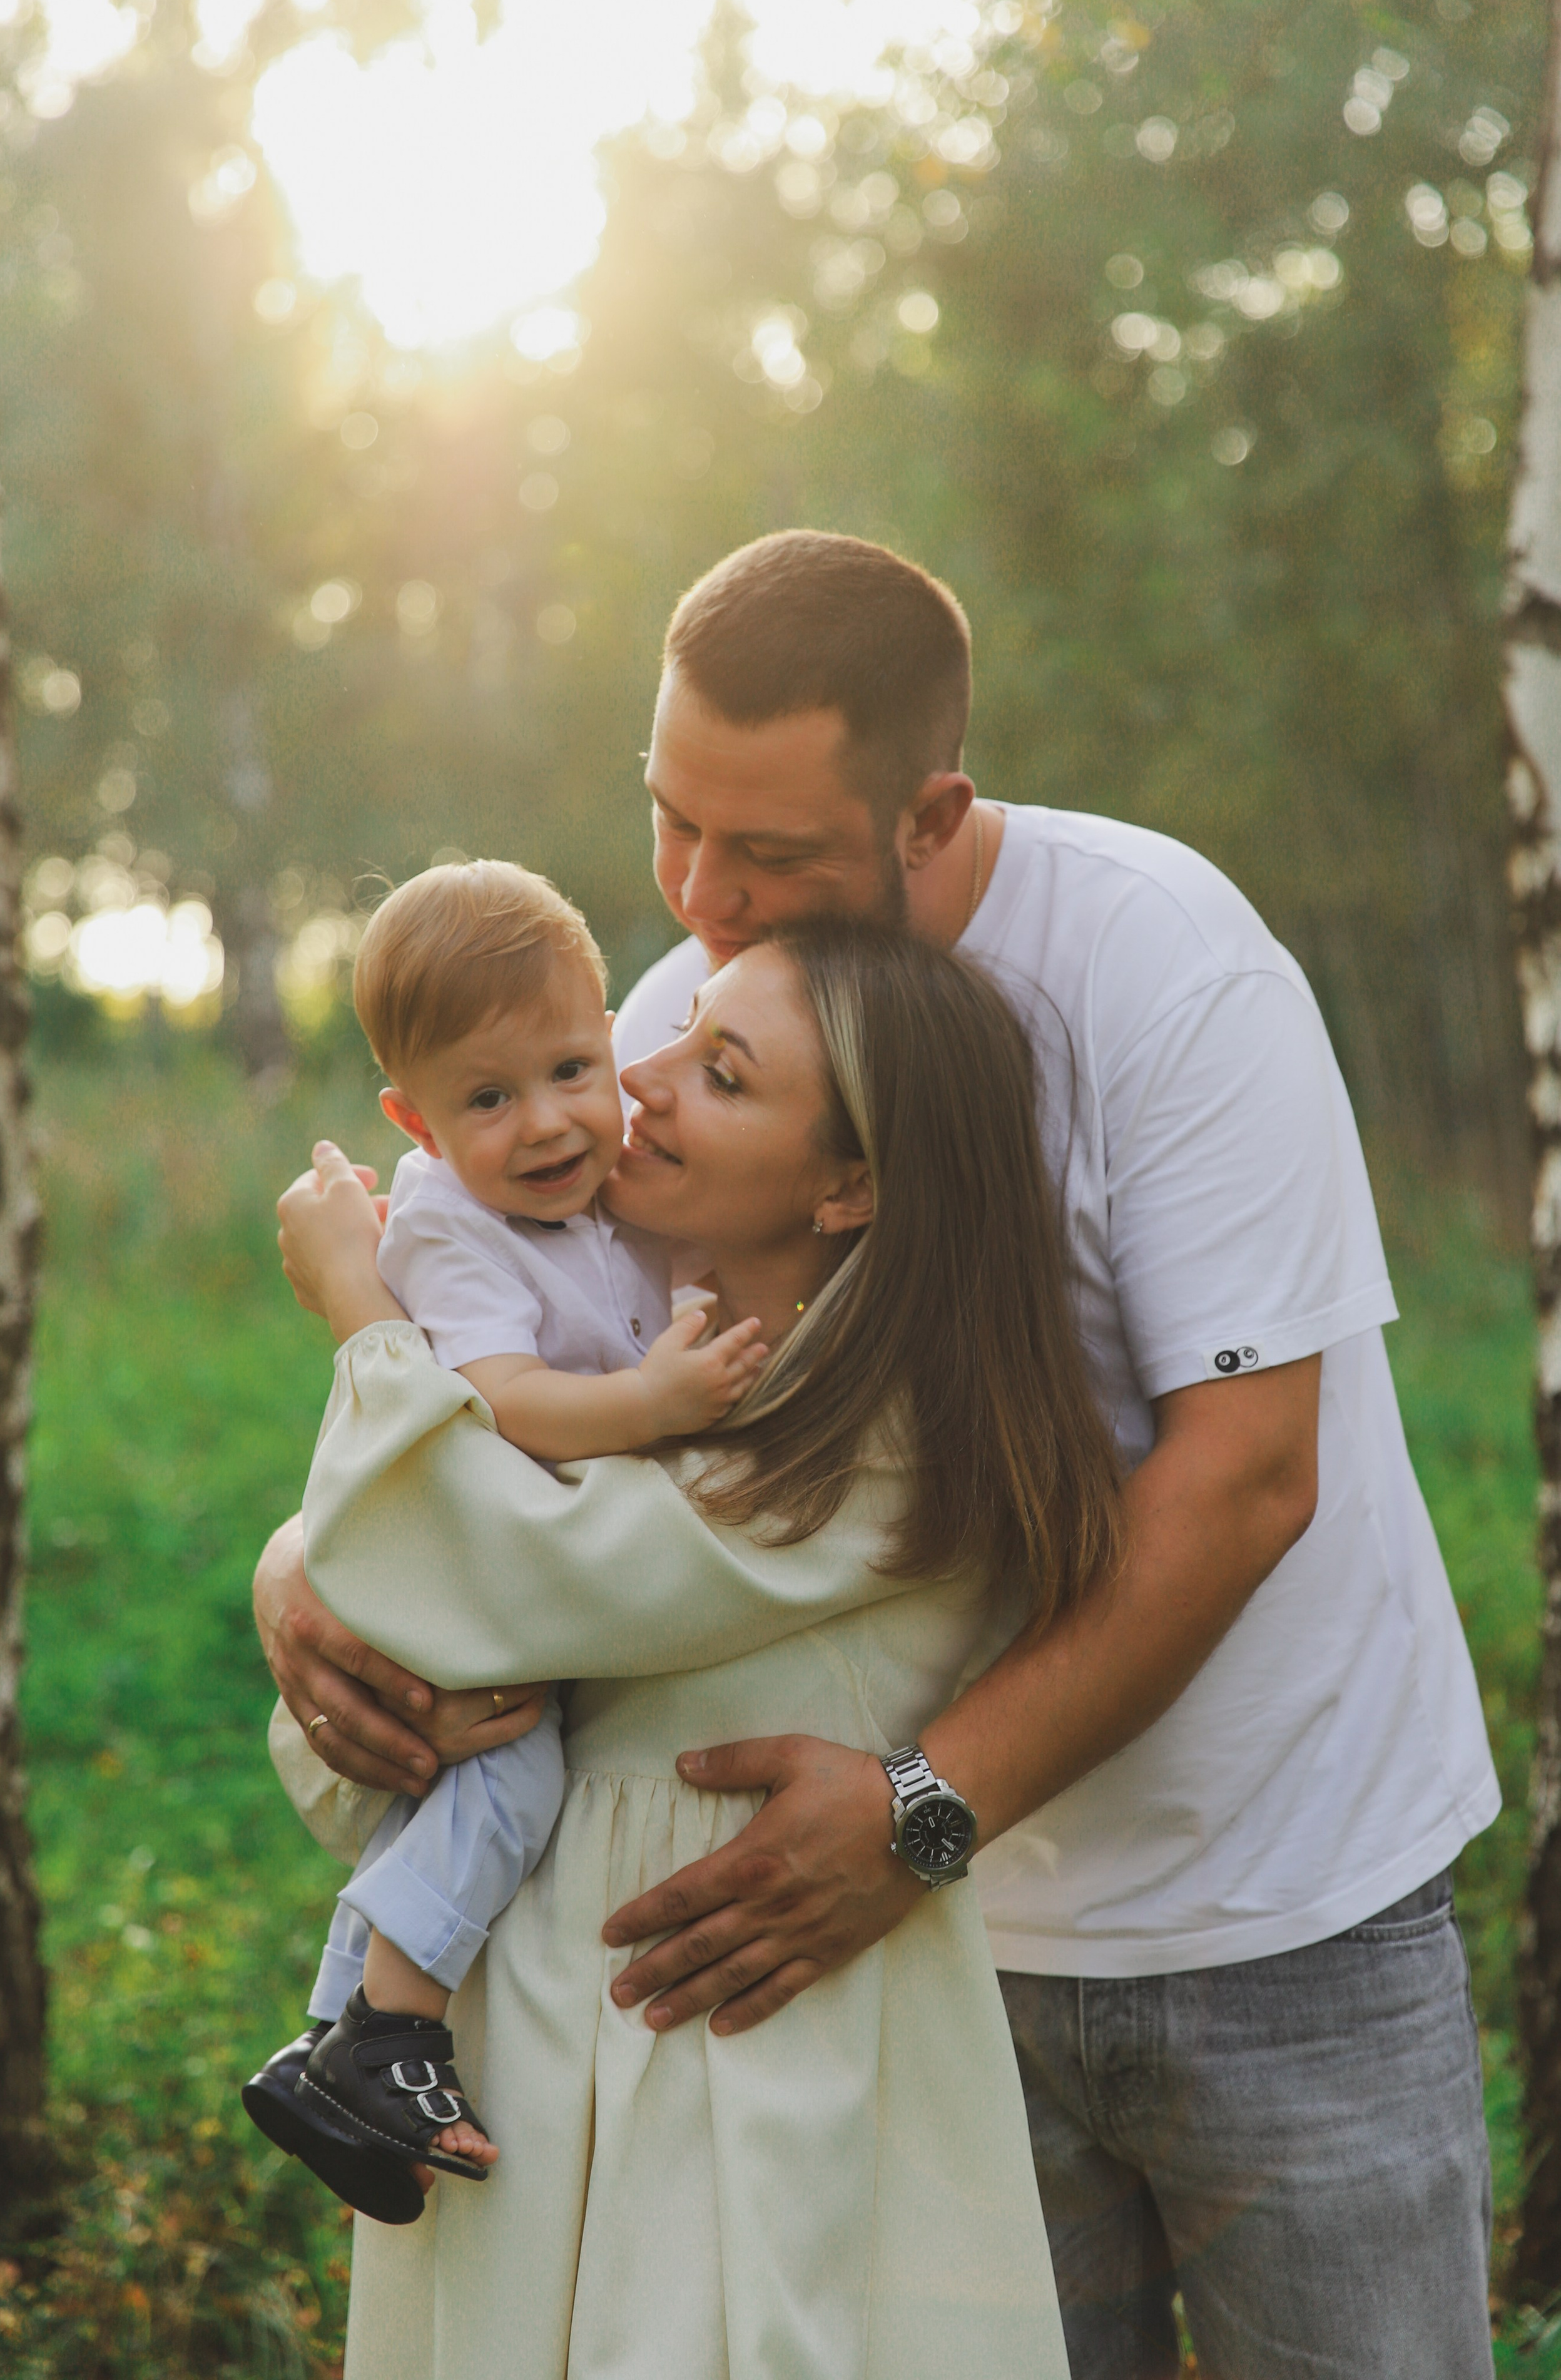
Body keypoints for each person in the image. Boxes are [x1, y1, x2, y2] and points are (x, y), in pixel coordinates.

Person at [256, 531, 1502, 2378]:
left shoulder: (1166, 974)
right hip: (910, 1958)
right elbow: (534, 1388)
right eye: (674, 824)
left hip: (1264, 1895)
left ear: (930, 814)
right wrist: (304, 1572)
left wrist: (924, 1809)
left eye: (767, 855)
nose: (700, 900)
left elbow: (1246, 1476)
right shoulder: (685, 1026)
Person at [267, 920, 1123, 2379]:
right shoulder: (640, 1338)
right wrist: (302, 1572)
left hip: (739, 2035)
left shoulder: (882, 1441)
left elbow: (500, 1572)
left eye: (717, 1071)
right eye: (663, 1037)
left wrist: (362, 1318)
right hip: (547, 2033)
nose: (641, 1083)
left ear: (849, 1182)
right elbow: (428, 1593)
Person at [243, 860, 766, 2220]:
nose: (546, 1123)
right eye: (488, 1099)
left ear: (613, 1048)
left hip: (492, 1560)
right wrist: (652, 1403)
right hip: (461, 1564)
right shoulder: (449, 1221)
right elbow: (512, 1405)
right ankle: (397, 2034)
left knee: (459, 1789)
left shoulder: (591, 1199)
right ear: (414, 1119)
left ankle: (322, 2047)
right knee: (506, 1768)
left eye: (570, 1071)